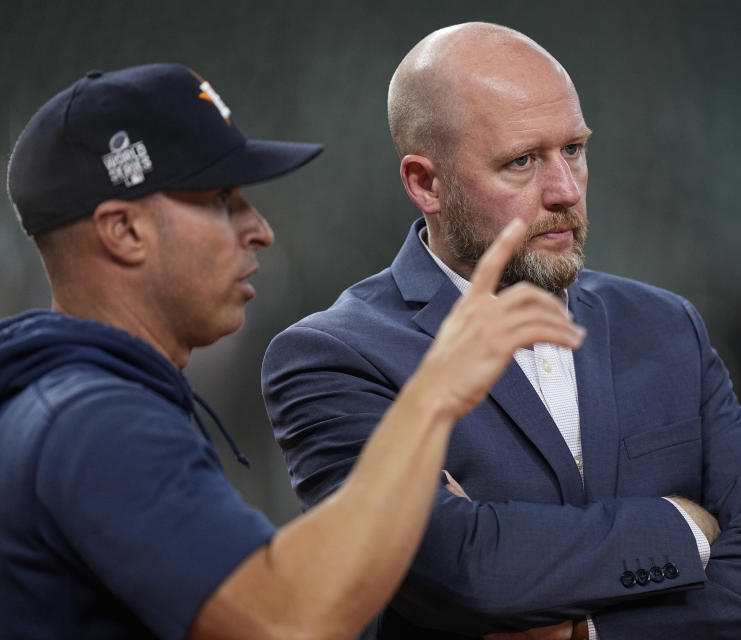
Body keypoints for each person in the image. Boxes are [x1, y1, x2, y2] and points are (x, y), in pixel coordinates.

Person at [262, 22, 741, 640]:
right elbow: (464, 574)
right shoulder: (332, 356)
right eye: (521, 161)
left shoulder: (665, 325)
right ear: (426, 183)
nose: (564, 190)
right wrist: (683, 525)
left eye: (574, 150)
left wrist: (584, 631)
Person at [0, 63, 583, 640]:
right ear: (124, 231)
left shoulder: (67, 403)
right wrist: (428, 400)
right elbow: (285, 622)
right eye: (222, 200)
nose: (258, 229)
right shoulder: (94, 419)